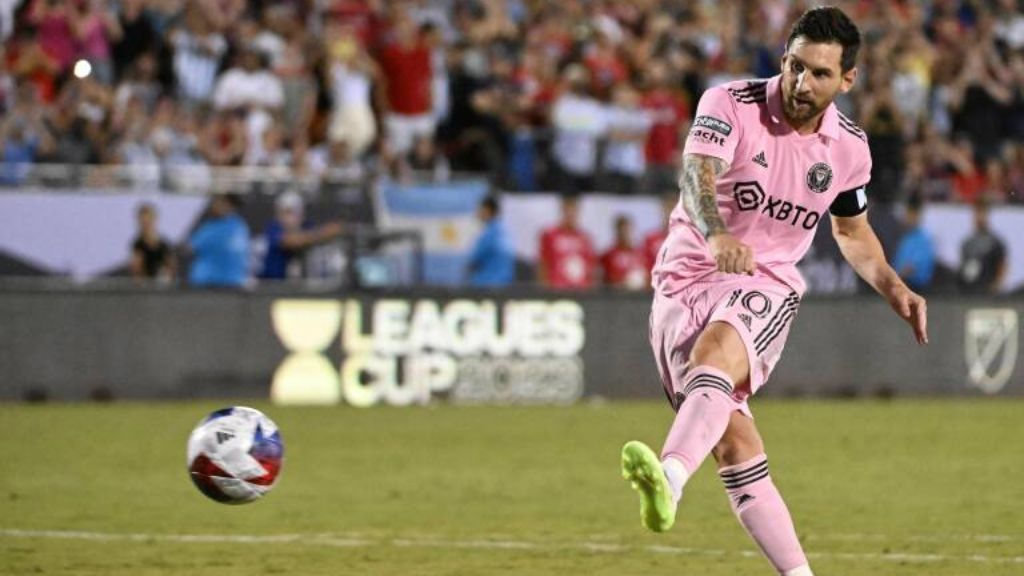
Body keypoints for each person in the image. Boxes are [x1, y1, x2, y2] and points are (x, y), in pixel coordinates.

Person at [620, 9, 928, 576]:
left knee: (717, 353)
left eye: (818, 74)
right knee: (735, 449)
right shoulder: (729, 102)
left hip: (765, 282)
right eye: (793, 67)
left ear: (847, 81)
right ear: (782, 57)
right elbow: (697, 174)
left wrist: (891, 284)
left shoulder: (849, 149)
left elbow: (851, 231)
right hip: (683, 280)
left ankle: (668, 477)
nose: (800, 84)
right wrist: (715, 233)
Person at [260, 191, 343, 280]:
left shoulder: (307, 225)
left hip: (303, 285)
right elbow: (291, 242)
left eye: (293, 212)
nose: (289, 217)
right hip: (274, 284)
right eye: (286, 212)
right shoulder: (273, 227)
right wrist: (322, 233)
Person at [188, 194, 250, 288]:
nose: (214, 205)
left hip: (215, 284)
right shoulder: (240, 226)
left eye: (219, 202)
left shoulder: (213, 228)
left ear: (228, 205)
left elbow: (190, 248)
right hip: (218, 283)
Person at [537, 195, 596, 290]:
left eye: (573, 211)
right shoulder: (550, 235)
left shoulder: (585, 238)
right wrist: (545, 289)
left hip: (581, 290)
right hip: (557, 289)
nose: (570, 215)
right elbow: (543, 264)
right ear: (562, 211)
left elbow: (591, 267)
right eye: (567, 211)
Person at [958, 199, 1007, 294]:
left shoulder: (995, 241)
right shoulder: (967, 242)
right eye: (977, 213)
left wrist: (996, 285)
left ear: (987, 216)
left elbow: (1002, 265)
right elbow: (963, 266)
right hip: (968, 291)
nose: (979, 217)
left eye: (982, 213)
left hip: (988, 290)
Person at [467, 195, 514, 287]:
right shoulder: (505, 232)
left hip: (486, 286)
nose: (477, 212)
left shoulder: (489, 234)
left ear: (487, 210)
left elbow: (474, 260)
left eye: (480, 209)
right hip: (504, 286)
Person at [892, 197, 935, 291]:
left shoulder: (924, 239)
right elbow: (897, 263)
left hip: (916, 287)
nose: (909, 218)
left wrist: (897, 276)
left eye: (912, 215)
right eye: (908, 215)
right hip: (901, 283)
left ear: (918, 216)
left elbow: (912, 267)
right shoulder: (905, 238)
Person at [129, 202, 175, 281]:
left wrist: (166, 274)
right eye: (143, 222)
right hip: (145, 284)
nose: (146, 224)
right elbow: (136, 269)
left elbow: (171, 266)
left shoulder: (163, 244)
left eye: (149, 221)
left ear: (154, 221)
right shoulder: (138, 244)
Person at [601, 214, 646, 290]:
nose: (625, 234)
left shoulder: (640, 254)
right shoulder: (609, 255)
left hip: (639, 298)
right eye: (622, 230)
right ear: (617, 232)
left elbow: (647, 277)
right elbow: (605, 281)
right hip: (617, 298)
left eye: (627, 230)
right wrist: (624, 283)